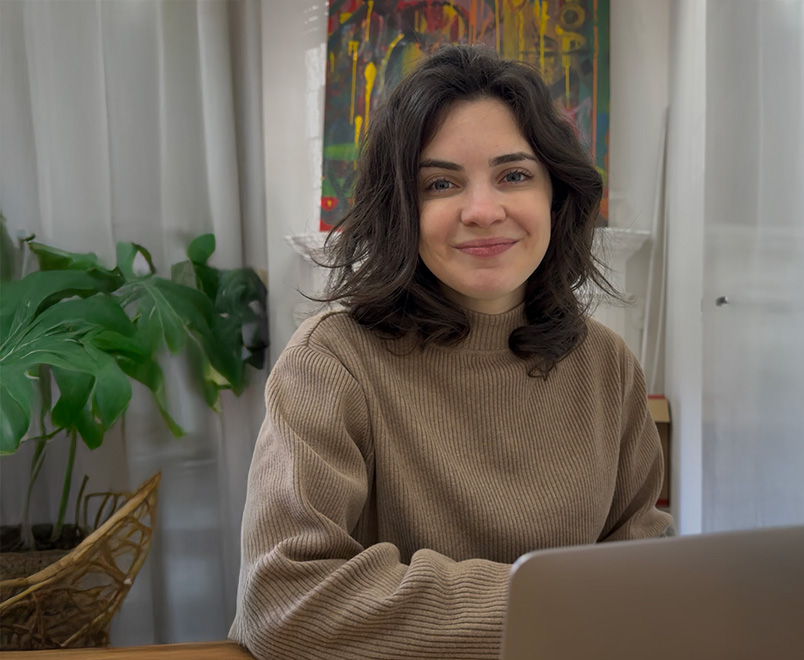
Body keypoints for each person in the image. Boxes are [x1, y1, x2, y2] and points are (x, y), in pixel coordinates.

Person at [229, 44, 674, 660]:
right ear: (402, 210)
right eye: (440, 183)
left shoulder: (606, 364)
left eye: (514, 175)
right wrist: (553, 602)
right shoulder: (330, 363)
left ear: (555, 194)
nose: (483, 211)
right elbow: (282, 600)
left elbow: (647, 582)